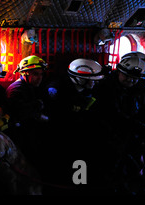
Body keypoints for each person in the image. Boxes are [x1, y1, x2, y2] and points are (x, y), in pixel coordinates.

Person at [92, 55, 145, 194]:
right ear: (119, 72)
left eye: (134, 78)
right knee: (110, 172)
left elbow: (144, 108)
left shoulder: (138, 89)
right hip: (109, 137)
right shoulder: (106, 88)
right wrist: (142, 128)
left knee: (131, 169)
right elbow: (114, 115)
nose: (130, 80)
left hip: (130, 137)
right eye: (127, 76)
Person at [43, 58, 105, 193]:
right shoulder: (56, 89)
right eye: (91, 80)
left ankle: (78, 185)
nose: (94, 83)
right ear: (79, 79)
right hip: (59, 137)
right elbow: (56, 116)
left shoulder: (89, 89)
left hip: (80, 136)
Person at [5, 55, 49, 172]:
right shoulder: (16, 90)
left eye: (41, 74)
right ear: (25, 74)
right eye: (35, 74)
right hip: (21, 135)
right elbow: (20, 114)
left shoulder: (32, 86)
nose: (39, 78)